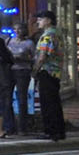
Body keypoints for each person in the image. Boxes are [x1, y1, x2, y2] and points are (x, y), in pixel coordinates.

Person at [33, 10, 66, 141]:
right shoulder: (57, 33)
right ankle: (59, 130)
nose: (38, 21)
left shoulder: (48, 35)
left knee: (48, 103)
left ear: (49, 20)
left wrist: (35, 70)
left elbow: (42, 56)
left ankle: (51, 131)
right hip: (55, 72)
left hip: (47, 72)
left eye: (41, 19)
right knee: (55, 102)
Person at [6, 19, 36, 132]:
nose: (17, 31)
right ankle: (9, 126)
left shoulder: (29, 43)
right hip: (10, 71)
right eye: (15, 29)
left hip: (23, 71)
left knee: (22, 98)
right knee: (7, 98)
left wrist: (24, 59)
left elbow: (35, 58)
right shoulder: (9, 41)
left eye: (19, 29)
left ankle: (22, 127)